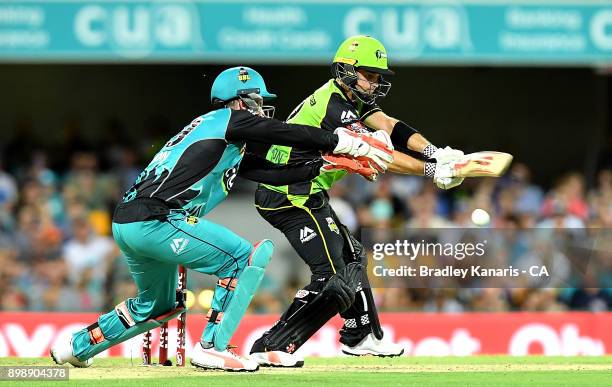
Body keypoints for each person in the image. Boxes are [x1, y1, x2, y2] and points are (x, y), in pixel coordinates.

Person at [50, 66, 393, 372]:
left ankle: (76, 347)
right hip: (158, 218)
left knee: (158, 305)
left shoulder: (223, 141)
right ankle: (212, 347)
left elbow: (273, 174)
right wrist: (342, 141)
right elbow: (281, 133)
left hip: (130, 223)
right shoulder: (222, 120)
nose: (262, 109)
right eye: (257, 101)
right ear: (239, 101)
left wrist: (326, 164)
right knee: (244, 258)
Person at [249, 36, 465, 367]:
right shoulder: (335, 106)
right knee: (332, 274)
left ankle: (362, 335)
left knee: (352, 257)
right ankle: (272, 345)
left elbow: (392, 127)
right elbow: (377, 155)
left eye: (378, 76)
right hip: (286, 193)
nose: (375, 82)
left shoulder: (352, 99)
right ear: (346, 70)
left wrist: (436, 152)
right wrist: (432, 171)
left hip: (307, 192)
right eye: (370, 74)